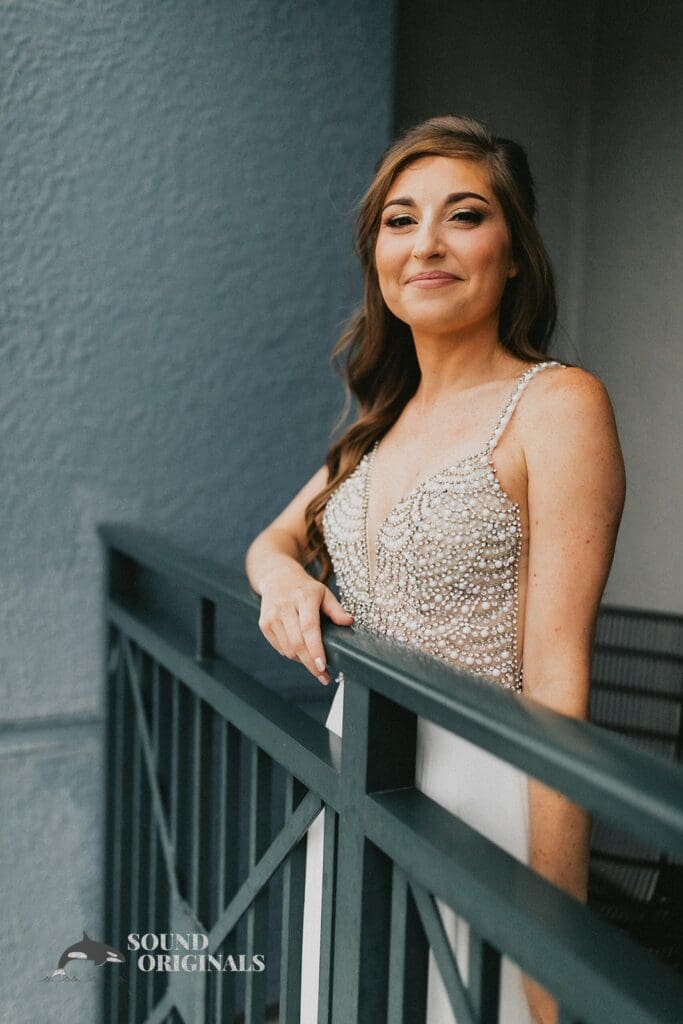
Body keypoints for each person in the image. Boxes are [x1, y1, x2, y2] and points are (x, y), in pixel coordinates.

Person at [244, 115, 625, 1024]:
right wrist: (285, 581)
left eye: (463, 215)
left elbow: (555, 686)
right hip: (353, 793)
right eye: (398, 220)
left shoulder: (557, 404)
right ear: (377, 252)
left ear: (515, 253)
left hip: (482, 813)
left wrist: (552, 953)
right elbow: (269, 543)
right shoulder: (381, 423)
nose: (427, 244)